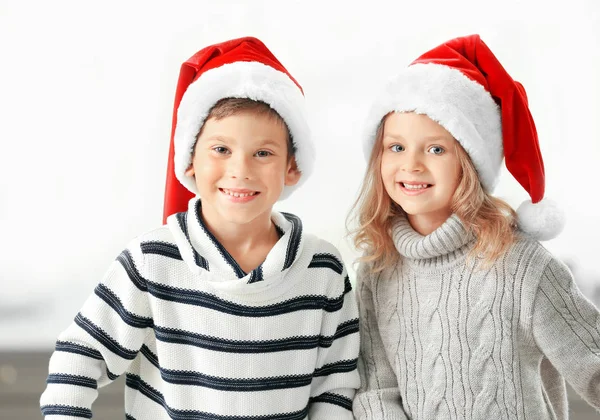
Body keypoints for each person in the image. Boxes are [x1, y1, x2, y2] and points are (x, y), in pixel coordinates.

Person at [40, 36, 359, 419]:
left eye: (263, 153)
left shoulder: (323, 270)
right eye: (221, 149)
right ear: (190, 160)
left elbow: (335, 386)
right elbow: (79, 359)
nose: (240, 170)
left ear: (292, 167)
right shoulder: (151, 263)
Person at [350, 34, 600, 419]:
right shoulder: (376, 270)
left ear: (470, 162)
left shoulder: (522, 265)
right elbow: (375, 390)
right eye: (396, 147)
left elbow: (593, 366)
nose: (412, 164)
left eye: (436, 149)